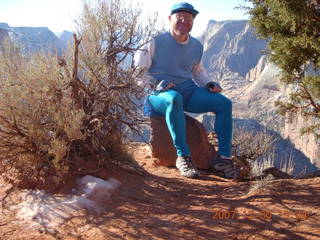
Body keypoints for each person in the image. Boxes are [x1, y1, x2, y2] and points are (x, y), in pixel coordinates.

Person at [135, 2, 239, 179]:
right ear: (170, 19)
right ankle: (183, 156)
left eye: (189, 18)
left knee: (224, 103)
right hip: (158, 95)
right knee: (174, 98)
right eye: (179, 17)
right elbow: (137, 73)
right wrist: (153, 85)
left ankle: (223, 159)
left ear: (193, 22)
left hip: (187, 90)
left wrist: (209, 84)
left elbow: (197, 72)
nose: (184, 21)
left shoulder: (196, 45)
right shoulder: (154, 41)